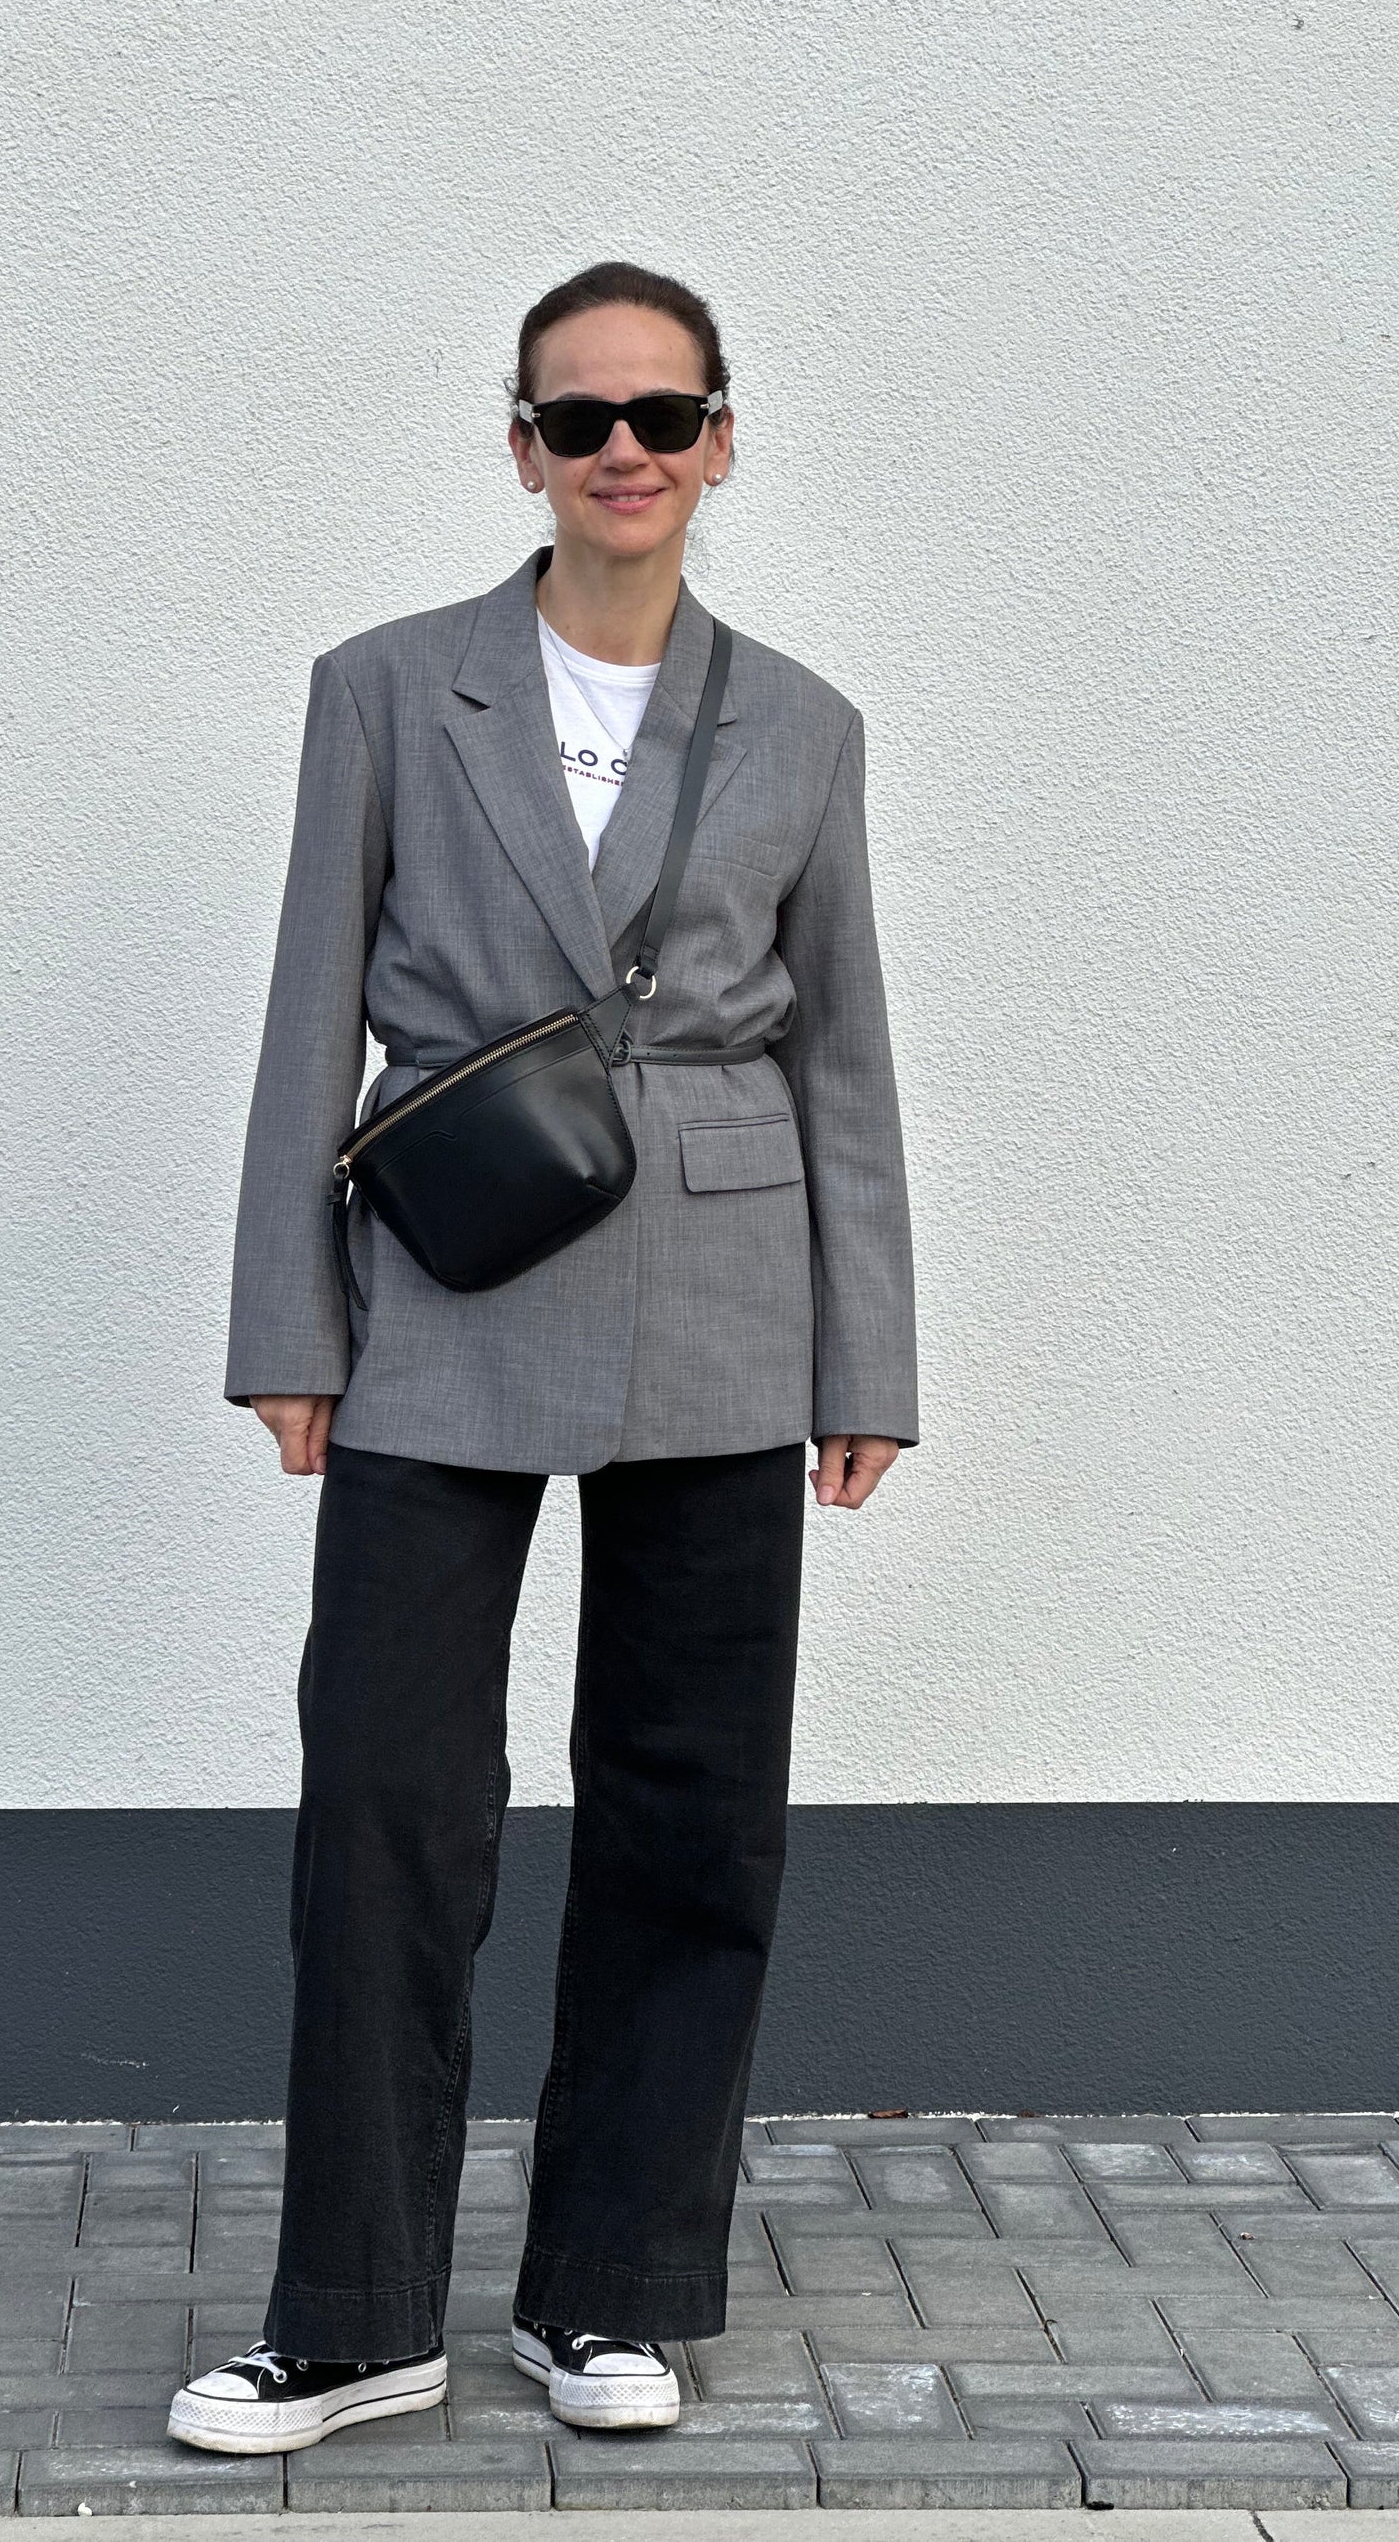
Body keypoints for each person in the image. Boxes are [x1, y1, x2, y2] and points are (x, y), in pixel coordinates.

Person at [168, 260, 919, 2458]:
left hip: (723, 1291)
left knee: (691, 1809)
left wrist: (866, 1353)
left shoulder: (802, 723)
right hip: (455, 1274)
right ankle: (351, 2313)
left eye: (662, 416)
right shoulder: (389, 689)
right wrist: (288, 1319)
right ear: (519, 446)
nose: (621, 451)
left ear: (719, 443)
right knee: (385, 1798)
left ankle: (612, 2288)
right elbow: (309, 1014)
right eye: (577, 416)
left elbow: (846, 1057)